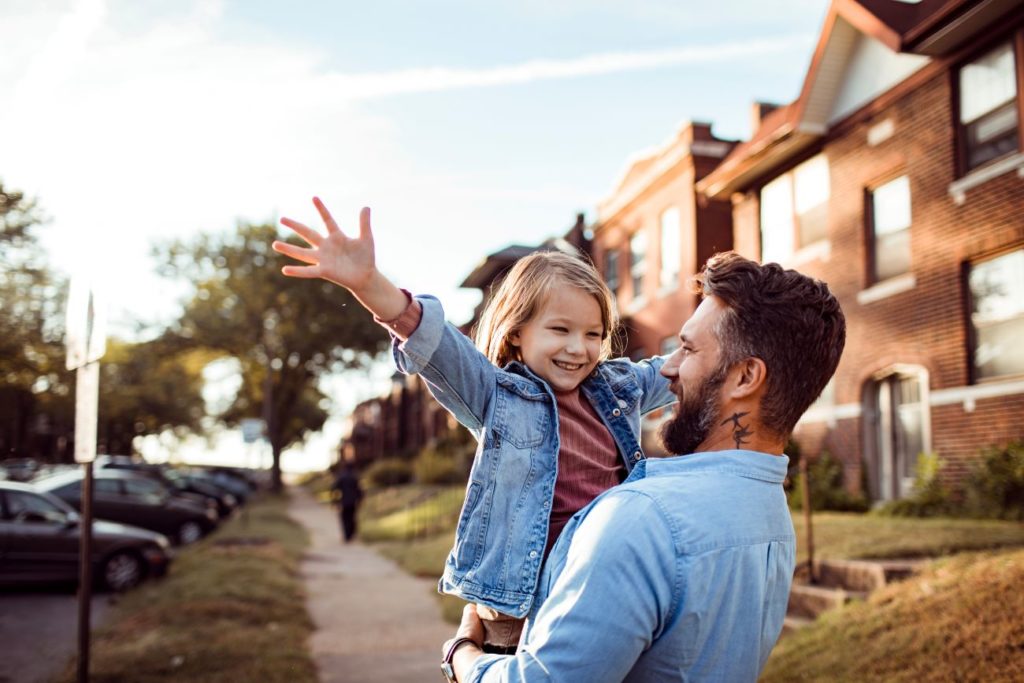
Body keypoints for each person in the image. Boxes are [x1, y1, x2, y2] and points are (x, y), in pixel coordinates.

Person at [272, 198, 676, 652]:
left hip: (601, 588)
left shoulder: (618, 388)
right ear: (517, 333)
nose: (579, 349)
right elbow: (436, 344)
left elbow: (685, 366)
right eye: (560, 330)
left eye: (593, 334)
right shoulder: (497, 396)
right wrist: (371, 285)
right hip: (519, 607)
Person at [440, 251, 846, 682]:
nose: (665, 370)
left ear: (745, 378)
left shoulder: (639, 519)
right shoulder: (770, 518)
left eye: (686, 350)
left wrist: (462, 657)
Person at [331, 460, 362, 542]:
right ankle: (351, 535)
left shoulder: (341, 476)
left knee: (345, 518)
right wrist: (360, 499)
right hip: (353, 501)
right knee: (352, 518)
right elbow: (359, 490)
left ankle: (347, 536)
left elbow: (334, 489)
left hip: (344, 501)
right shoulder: (354, 477)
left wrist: (335, 501)